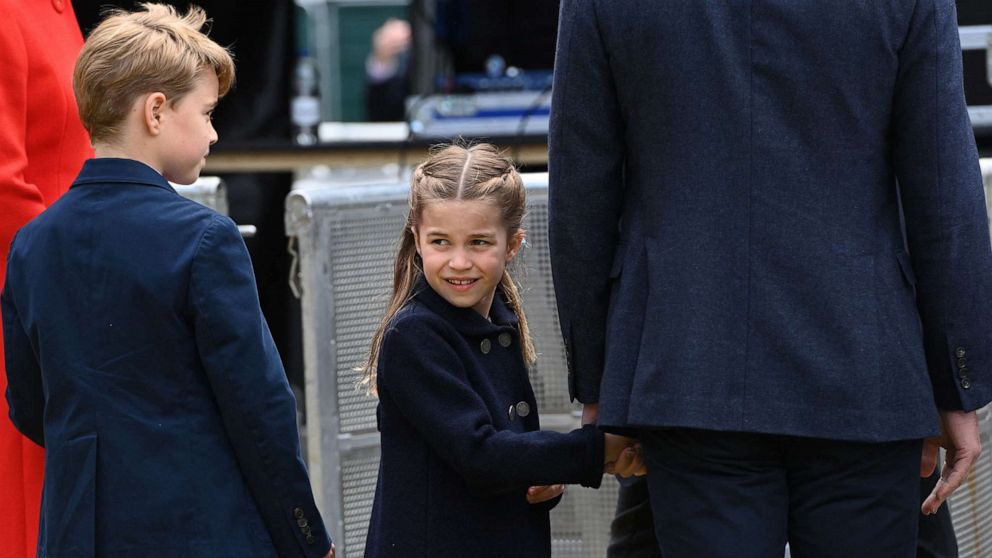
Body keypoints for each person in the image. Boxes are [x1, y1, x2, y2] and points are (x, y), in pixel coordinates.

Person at [548, 2, 991, 557]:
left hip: (687, 363)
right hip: (864, 365)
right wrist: (957, 385)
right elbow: (943, 186)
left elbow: (580, 188)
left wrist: (597, 385)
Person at [1, 4, 334, 557]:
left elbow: (29, 406)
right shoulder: (206, 240)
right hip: (203, 528)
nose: (213, 132)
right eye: (205, 113)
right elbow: (260, 411)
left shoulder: (31, 244)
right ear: (156, 112)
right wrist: (307, 536)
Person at [361, 143, 644, 557]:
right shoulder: (414, 336)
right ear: (417, 240)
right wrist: (598, 450)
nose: (459, 261)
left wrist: (544, 480)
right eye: (441, 242)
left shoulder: (500, 319)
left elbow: (507, 457)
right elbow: (481, 455)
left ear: (512, 245)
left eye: (478, 242)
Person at [0, 1, 92, 556]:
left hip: (66, 288)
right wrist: (69, 286)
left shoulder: (57, 10)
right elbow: (5, 188)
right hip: (30, 302)